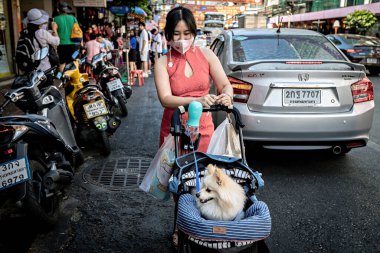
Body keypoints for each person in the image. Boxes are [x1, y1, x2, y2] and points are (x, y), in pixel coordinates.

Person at [154, 6, 233, 153]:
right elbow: (165, 99)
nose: (182, 39)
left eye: (187, 33)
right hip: (175, 129)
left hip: (204, 129)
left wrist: (227, 96)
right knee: (174, 173)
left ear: (194, 33)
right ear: (169, 35)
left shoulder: (207, 54)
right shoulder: (162, 62)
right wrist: (196, 101)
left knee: (205, 172)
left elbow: (225, 85)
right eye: (177, 34)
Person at [54, 1, 80, 72]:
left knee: (62, 63)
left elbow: (53, 33)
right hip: (74, 45)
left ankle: (63, 79)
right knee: (74, 62)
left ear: (58, 10)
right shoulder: (73, 18)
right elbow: (78, 31)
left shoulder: (55, 19)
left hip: (61, 45)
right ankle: (74, 79)